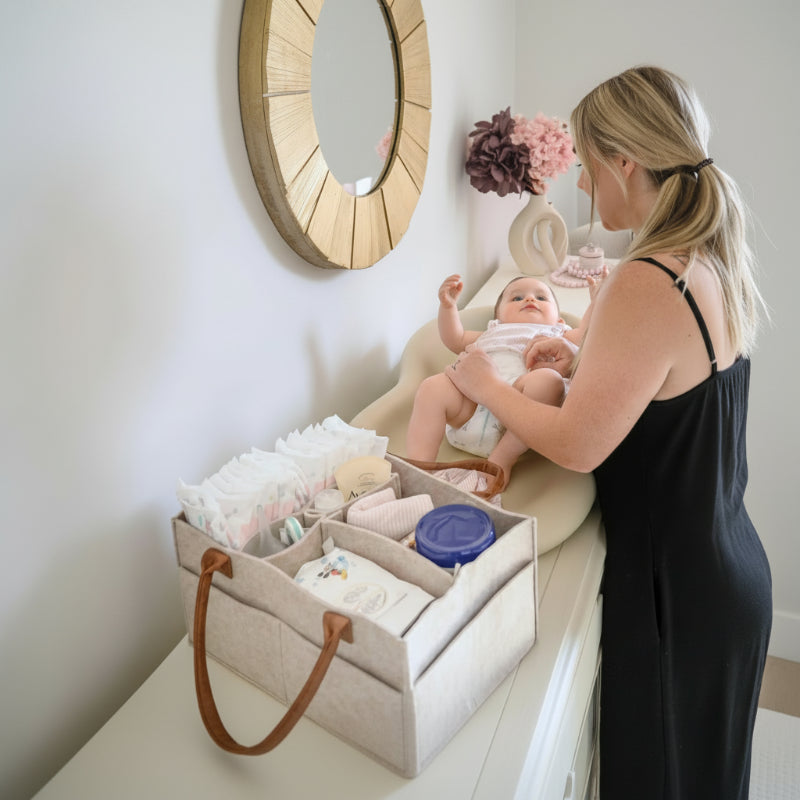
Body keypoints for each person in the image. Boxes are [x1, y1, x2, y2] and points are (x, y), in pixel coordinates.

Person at [445, 66, 771, 799]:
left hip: (674, 600)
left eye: (590, 170)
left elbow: (576, 444)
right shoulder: (706, 259)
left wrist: (486, 385)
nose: (584, 188)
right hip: (724, 571)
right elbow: (666, 387)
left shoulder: (644, 278)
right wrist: (586, 360)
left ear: (626, 162)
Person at [405, 273, 590, 483]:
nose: (529, 300)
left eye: (541, 298)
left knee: (548, 381)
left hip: (524, 424)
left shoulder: (560, 333)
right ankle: (419, 469)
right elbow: (453, 338)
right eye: (517, 298)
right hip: (471, 411)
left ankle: (500, 462)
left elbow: (586, 335)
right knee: (432, 387)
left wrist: (597, 302)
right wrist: (448, 307)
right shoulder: (492, 331)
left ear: (560, 319)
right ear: (497, 317)